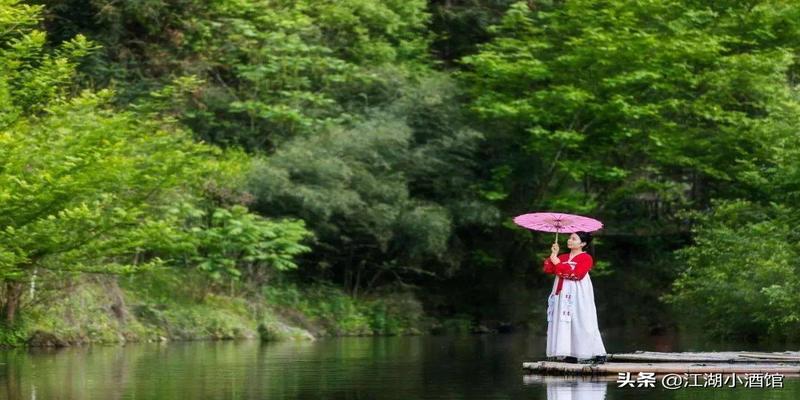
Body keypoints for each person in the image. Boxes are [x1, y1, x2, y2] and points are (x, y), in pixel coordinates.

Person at [542, 231, 606, 364]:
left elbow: (576, 274)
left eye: (573, 239)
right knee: (564, 320)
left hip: (578, 293)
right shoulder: (564, 256)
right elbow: (548, 269)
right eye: (569, 238)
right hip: (562, 292)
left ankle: (596, 352)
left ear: (583, 243)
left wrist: (557, 263)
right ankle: (570, 352)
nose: (569, 240)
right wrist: (554, 255)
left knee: (582, 319)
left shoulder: (586, 258)